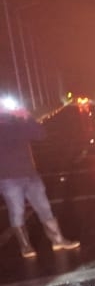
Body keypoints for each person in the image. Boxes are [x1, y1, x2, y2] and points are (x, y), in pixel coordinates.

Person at [0, 104, 80, 258]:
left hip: (30, 174)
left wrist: (27, 117)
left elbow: (40, 134)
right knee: (17, 212)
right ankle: (25, 246)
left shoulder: (17, 122)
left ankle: (58, 240)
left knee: (45, 208)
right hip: (8, 179)